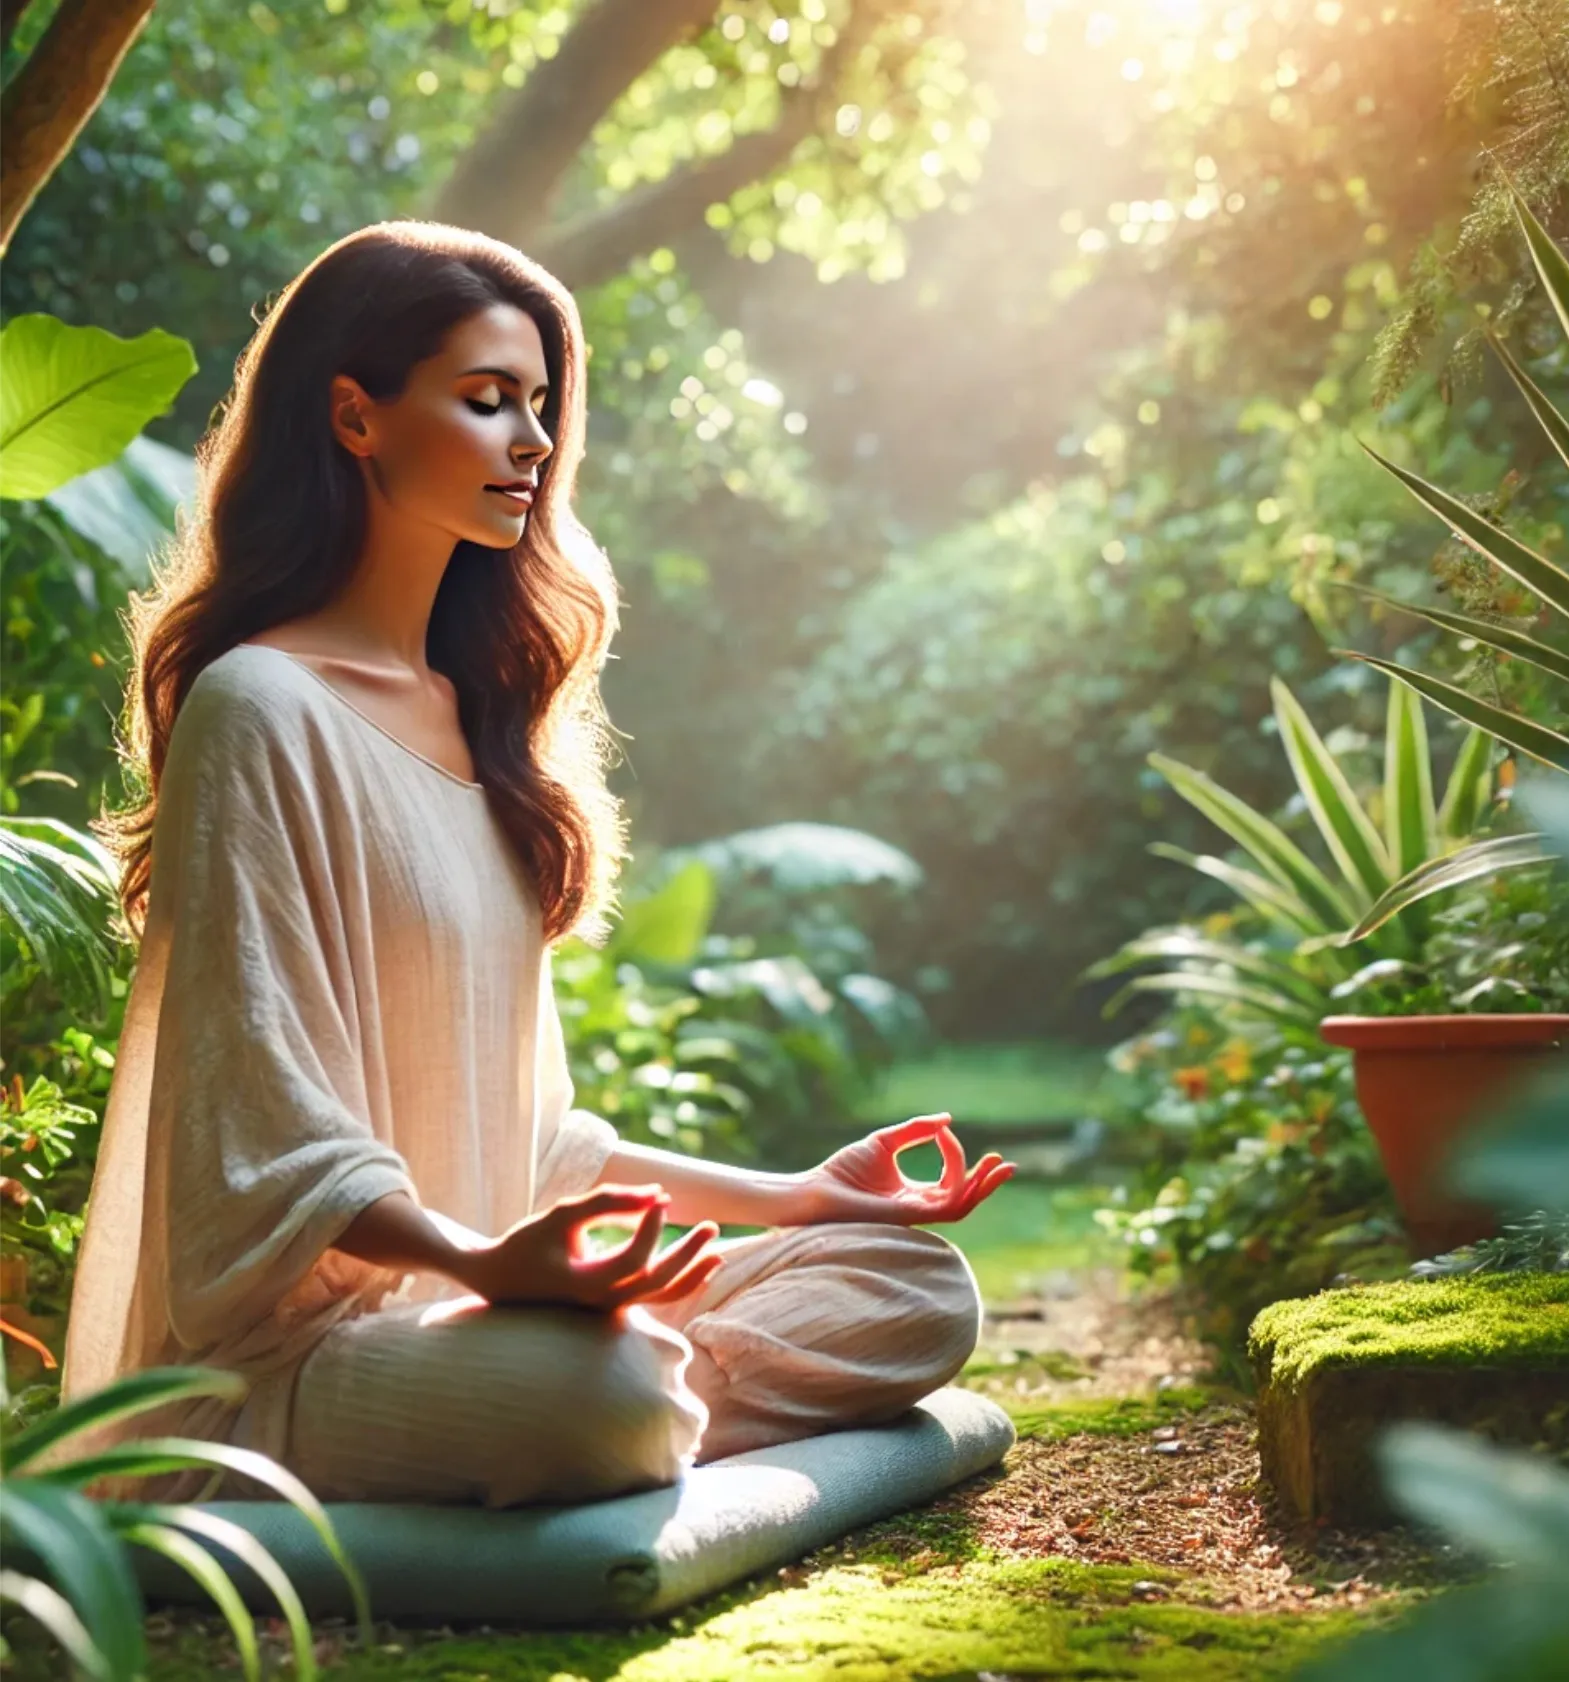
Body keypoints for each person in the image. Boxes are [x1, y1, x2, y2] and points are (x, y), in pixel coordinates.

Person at [57, 221, 1016, 1509]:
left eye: (542, 405)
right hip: (303, 1358)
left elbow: (540, 1140)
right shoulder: (259, 709)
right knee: (601, 1392)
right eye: (488, 399)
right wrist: (487, 1268)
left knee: (910, 1287)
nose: (533, 441)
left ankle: (622, 1401)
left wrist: (791, 1198)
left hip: (494, 1307)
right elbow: (267, 1155)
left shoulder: (482, 724)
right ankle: (615, 1404)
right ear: (356, 416)